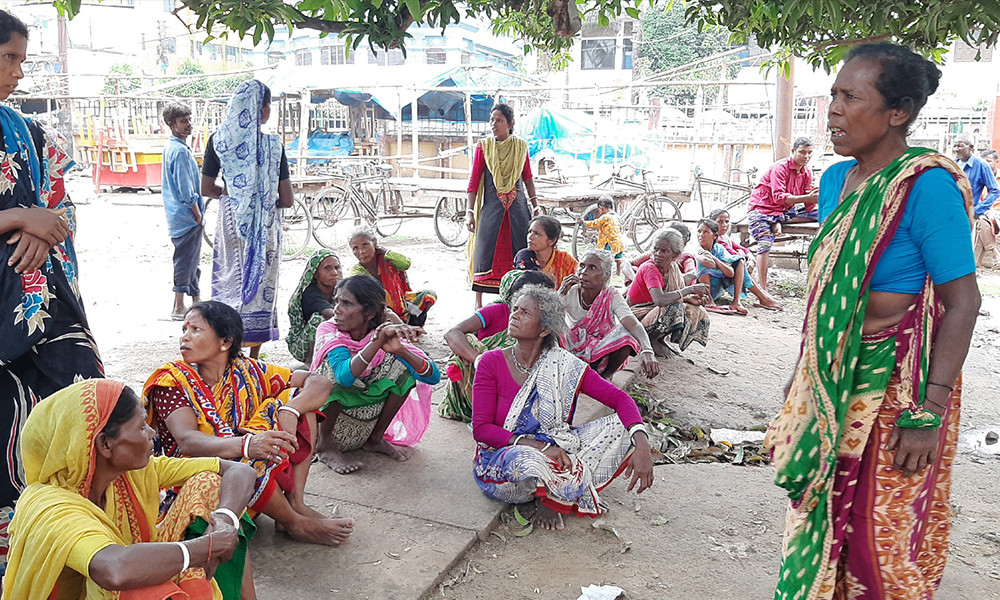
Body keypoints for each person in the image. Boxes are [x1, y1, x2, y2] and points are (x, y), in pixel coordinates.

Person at [767, 43, 981, 600]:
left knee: (878, 543)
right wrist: (803, 373)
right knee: (818, 518)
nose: (834, 110)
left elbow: (963, 303)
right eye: (833, 95)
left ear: (898, 112)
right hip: (833, 379)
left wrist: (927, 410)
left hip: (895, 387)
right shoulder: (836, 181)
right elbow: (827, 296)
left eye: (850, 97)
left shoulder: (927, 187)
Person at [0, 10, 105, 571]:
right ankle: (16, 543)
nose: (18, 71)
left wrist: (42, 227)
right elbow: (34, 210)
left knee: (78, 397)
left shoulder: (28, 128)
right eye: (8, 58)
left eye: (21, 59)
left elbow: (58, 206)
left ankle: (74, 530)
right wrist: (21, 216)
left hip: (44, 296)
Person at [3, 379, 258, 600]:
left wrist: (225, 520)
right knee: (138, 587)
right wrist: (207, 547)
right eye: (140, 427)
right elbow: (114, 570)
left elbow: (239, 471)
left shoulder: (131, 473)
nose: (152, 433)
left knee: (210, 485)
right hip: (113, 584)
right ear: (105, 445)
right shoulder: (52, 507)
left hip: (120, 576)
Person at [144, 301, 354, 547]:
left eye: (196, 330)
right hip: (195, 481)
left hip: (245, 474)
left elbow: (318, 382)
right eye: (184, 331)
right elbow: (187, 441)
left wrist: (290, 410)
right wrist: (247, 444)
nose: (185, 338)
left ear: (225, 342)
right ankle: (294, 522)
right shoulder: (172, 382)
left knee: (297, 401)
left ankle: (295, 503)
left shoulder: (247, 370)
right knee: (246, 449)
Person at [471, 285, 654, 531]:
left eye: (525, 312)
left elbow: (620, 399)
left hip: (558, 449)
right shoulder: (490, 362)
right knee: (525, 459)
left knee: (625, 427)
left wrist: (642, 444)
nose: (514, 315)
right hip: (505, 463)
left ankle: (553, 498)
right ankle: (559, 490)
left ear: (545, 328)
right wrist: (543, 448)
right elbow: (482, 430)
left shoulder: (565, 365)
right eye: (515, 309)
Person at [201, 80, 293, 359]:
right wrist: (260, 202)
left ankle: (227, 352)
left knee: (229, 282)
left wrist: (234, 198)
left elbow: (206, 188)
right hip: (265, 225)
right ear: (262, 110)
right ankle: (253, 358)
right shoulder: (273, 146)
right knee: (262, 285)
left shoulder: (219, 141)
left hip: (230, 222)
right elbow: (287, 199)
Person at [311, 275, 439, 474]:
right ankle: (325, 447)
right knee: (330, 373)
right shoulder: (330, 329)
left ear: (369, 312)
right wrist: (376, 342)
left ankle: (375, 439)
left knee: (402, 370)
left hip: (362, 423)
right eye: (337, 301)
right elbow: (344, 377)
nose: (337, 309)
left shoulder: (379, 334)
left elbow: (433, 377)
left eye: (346, 303)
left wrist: (400, 350)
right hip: (327, 423)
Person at [440, 269, 554, 422]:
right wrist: (479, 360)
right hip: (484, 379)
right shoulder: (498, 310)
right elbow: (452, 333)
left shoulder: (543, 324)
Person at [466, 103, 540, 308]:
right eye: (492, 120)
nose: (493, 124)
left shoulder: (520, 147)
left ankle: (519, 299)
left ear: (510, 124)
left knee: (521, 249)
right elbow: (474, 180)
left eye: (499, 120)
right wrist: (469, 212)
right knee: (485, 249)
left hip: (517, 208)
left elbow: (527, 177)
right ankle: (478, 303)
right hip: (491, 207)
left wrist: (535, 205)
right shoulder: (484, 147)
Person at [561, 250, 659, 379]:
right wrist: (560, 293)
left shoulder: (611, 296)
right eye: (582, 266)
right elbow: (547, 316)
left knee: (628, 333)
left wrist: (647, 350)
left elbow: (633, 324)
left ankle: (605, 376)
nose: (583, 271)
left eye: (592, 268)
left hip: (599, 350)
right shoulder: (570, 290)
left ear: (605, 276)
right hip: (570, 346)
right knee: (551, 325)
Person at [746, 137, 819, 292]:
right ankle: (763, 289)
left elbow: (809, 205)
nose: (806, 156)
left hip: (785, 210)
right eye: (802, 152)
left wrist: (815, 195)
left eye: (809, 153)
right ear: (793, 151)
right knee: (765, 243)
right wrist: (808, 197)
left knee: (824, 213)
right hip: (763, 209)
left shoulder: (806, 172)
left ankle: (779, 222)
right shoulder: (779, 168)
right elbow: (779, 197)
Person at [626, 229, 712, 357]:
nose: (658, 254)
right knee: (672, 308)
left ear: (675, 255)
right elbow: (660, 300)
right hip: (634, 316)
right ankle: (651, 340)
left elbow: (676, 294)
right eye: (656, 249)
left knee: (695, 309)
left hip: (651, 311)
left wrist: (691, 299)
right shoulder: (649, 268)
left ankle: (660, 339)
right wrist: (691, 289)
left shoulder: (673, 268)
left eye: (664, 251)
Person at [161, 102, 205, 321]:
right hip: (186, 216)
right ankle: (178, 306)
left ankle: (196, 301)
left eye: (189, 120)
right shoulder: (179, 152)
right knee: (185, 261)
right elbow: (186, 189)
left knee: (192, 259)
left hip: (181, 216)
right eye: (183, 121)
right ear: (172, 124)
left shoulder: (175, 148)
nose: (188, 125)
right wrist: (196, 212)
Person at [348, 228, 436, 326]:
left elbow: (405, 263)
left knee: (429, 295)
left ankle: (413, 322)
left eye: (365, 245)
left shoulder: (388, 260)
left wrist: (386, 251)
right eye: (355, 248)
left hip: (401, 304)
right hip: (380, 311)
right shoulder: (356, 272)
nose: (362, 251)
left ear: (375, 244)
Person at [695, 218, 783, 314]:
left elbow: (731, 272)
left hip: (717, 286)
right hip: (701, 292)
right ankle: (710, 301)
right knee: (702, 266)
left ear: (715, 236)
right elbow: (707, 263)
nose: (701, 235)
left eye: (706, 232)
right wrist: (721, 265)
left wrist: (715, 259)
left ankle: (737, 302)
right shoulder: (697, 249)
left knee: (740, 262)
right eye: (699, 231)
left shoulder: (718, 248)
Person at [954, 135, 1000, 268]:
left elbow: (995, 190)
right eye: (955, 145)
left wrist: (977, 210)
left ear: (971, 147)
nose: (956, 149)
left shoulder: (981, 166)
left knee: (963, 246)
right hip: (951, 212)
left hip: (967, 214)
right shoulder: (953, 164)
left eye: (960, 145)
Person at [622, 222, 697, 287]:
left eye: (669, 235)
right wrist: (636, 279)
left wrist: (668, 282)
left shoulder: (685, 259)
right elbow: (626, 264)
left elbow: (692, 274)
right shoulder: (654, 254)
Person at [513, 215, 578, 289]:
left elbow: (579, 275)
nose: (530, 237)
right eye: (530, 232)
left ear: (552, 241)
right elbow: (525, 284)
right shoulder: (524, 256)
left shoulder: (564, 259)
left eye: (537, 234)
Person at [577, 196, 625, 274]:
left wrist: (584, 222)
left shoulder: (605, 217)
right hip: (618, 242)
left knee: (606, 260)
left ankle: (606, 273)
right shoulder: (616, 216)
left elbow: (595, 223)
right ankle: (618, 272)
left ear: (601, 208)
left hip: (609, 243)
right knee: (618, 258)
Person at [708, 208, 754, 274]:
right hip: (719, 271)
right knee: (742, 265)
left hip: (729, 268)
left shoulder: (724, 237)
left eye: (727, 222)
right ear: (713, 223)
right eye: (720, 222)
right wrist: (742, 254)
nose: (724, 225)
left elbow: (743, 249)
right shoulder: (717, 239)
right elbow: (735, 255)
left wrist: (751, 259)